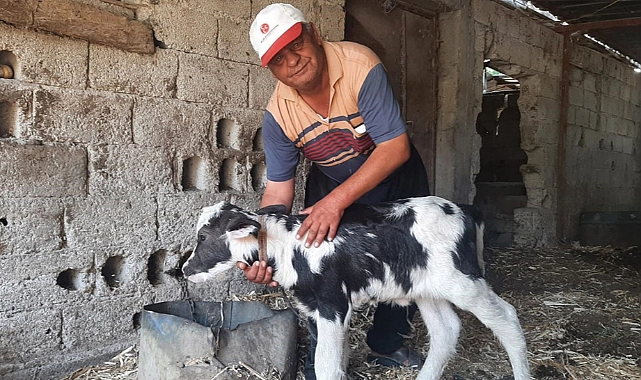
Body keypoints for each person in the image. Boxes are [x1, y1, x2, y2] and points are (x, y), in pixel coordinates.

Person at [238, 3, 430, 378]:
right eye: (278, 59)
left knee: (404, 254)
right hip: (332, 177)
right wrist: (261, 251)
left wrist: (335, 204)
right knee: (314, 256)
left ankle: (387, 346)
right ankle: (322, 360)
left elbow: (395, 148)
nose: (292, 61)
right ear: (271, 69)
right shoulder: (278, 115)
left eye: (296, 44)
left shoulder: (360, 66)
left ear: (313, 33)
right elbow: (278, 192)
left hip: (393, 171)